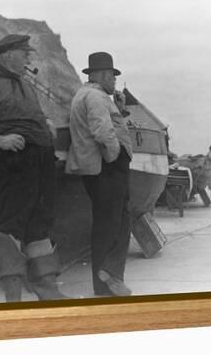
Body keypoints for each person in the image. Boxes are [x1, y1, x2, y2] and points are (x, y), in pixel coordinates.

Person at [0, 34, 65, 302]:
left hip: (41, 161)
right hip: (13, 163)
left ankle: (47, 289)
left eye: (29, 53)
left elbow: (35, 116)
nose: (29, 58)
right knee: (11, 225)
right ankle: (13, 296)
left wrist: (47, 124)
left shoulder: (26, 86)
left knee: (40, 223)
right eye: (24, 53)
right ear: (7, 55)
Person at [65, 52, 133, 297]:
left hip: (98, 167)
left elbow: (107, 124)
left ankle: (105, 281)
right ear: (103, 75)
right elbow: (102, 131)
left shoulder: (88, 94)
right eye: (112, 77)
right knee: (115, 222)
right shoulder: (95, 96)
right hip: (107, 167)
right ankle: (109, 275)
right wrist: (115, 157)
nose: (114, 82)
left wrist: (119, 109)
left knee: (111, 222)